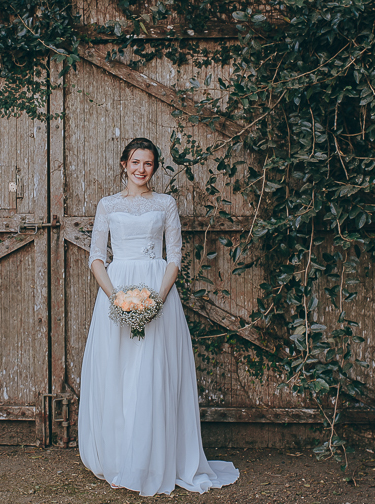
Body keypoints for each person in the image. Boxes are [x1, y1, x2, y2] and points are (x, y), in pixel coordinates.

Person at [78, 137, 240, 496]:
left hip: (157, 293)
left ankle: (154, 459)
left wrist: (156, 300)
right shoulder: (107, 205)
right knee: (119, 376)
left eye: (148, 164)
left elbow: (175, 258)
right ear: (124, 164)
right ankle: (120, 459)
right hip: (117, 292)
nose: (140, 169)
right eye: (135, 162)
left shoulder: (166, 204)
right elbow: (95, 257)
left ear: (154, 168)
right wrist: (116, 298)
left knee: (153, 375)